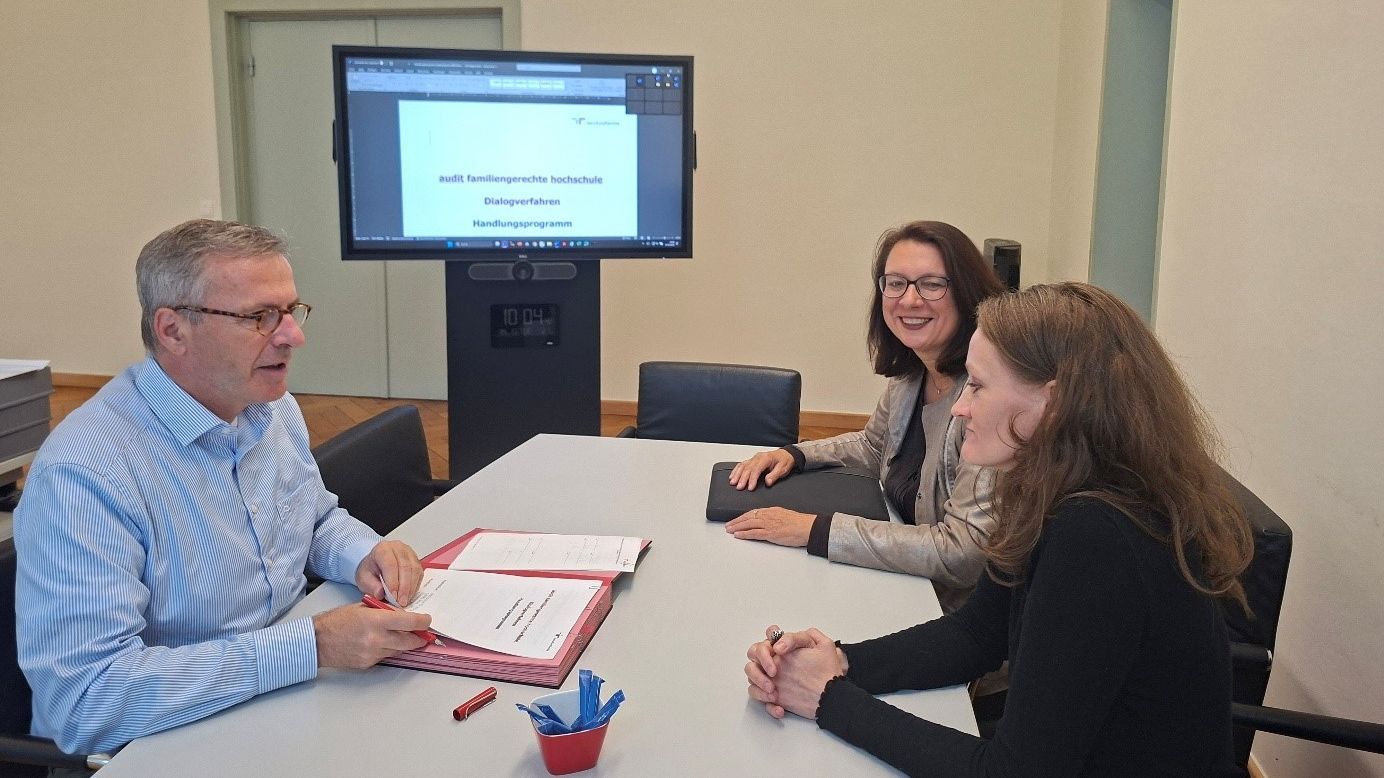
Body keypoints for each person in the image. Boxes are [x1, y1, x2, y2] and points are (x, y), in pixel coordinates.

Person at [743, 282, 1255, 777]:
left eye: (980, 386)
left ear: (1052, 404)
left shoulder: (1097, 535)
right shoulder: (1055, 489)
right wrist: (842, 660)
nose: (961, 407)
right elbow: (977, 635)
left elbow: (1012, 772)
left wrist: (829, 700)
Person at [14, 219, 435, 757]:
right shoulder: (85, 472)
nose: (293, 335)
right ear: (172, 330)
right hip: (155, 745)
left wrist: (363, 553)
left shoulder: (269, 404)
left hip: (278, 700)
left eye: (290, 311)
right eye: (259, 317)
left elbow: (313, 518)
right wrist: (312, 644)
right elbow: (87, 702)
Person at [725, 220, 1006, 611]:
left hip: (950, 615)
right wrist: (797, 454)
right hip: (900, 583)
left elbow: (961, 554)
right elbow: (876, 446)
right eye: (896, 283)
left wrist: (815, 530)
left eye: (931, 284)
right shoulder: (913, 373)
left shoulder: (986, 400)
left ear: (967, 293)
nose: (909, 300)